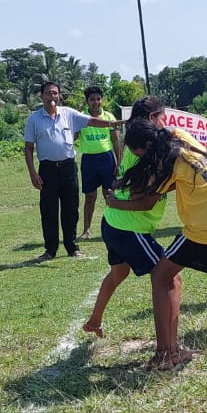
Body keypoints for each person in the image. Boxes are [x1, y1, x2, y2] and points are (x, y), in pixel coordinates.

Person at [108, 112, 207, 370]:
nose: (138, 157)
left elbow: (146, 201)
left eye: (137, 153)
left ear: (147, 146)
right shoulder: (178, 136)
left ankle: (165, 354)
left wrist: (116, 202)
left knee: (161, 275)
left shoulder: (165, 160)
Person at [82, 97, 171, 338]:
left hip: (113, 221)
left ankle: (94, 320)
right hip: (128, 225)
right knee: (169, 275)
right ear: (153, 118)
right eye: (162, 116)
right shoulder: (145, 149)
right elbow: (140, 193)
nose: (166, 121)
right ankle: (168, 344)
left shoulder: (137, 143)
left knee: (119, 273)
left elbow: (125, 182)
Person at [22, 81, 123, 261]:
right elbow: (28, 148)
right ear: (42, 96)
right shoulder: (34, 119)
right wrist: (33, 173)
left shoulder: (68, 114)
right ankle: (50, 250)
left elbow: (92, 121)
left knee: (71, 208)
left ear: (59, 96)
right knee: (49, 210)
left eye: (55, 93)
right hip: (47, 169)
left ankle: (72, 246)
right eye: (48, 93)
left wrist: (113, 123)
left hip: (68, 167)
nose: (52, 96)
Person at [75, 86, 121, 240]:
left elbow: (115, 140)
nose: (95, 102)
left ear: (102, 100)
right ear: (87, 101)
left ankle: (115, 228)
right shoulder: (81, 118)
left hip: (107, 159)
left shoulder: (109, 117)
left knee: (109, 194)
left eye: (98, 99)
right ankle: (86, 230)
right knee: (90, 196)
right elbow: (73, 136)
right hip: (89, 160)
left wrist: (119, 162)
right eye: (92, 99)